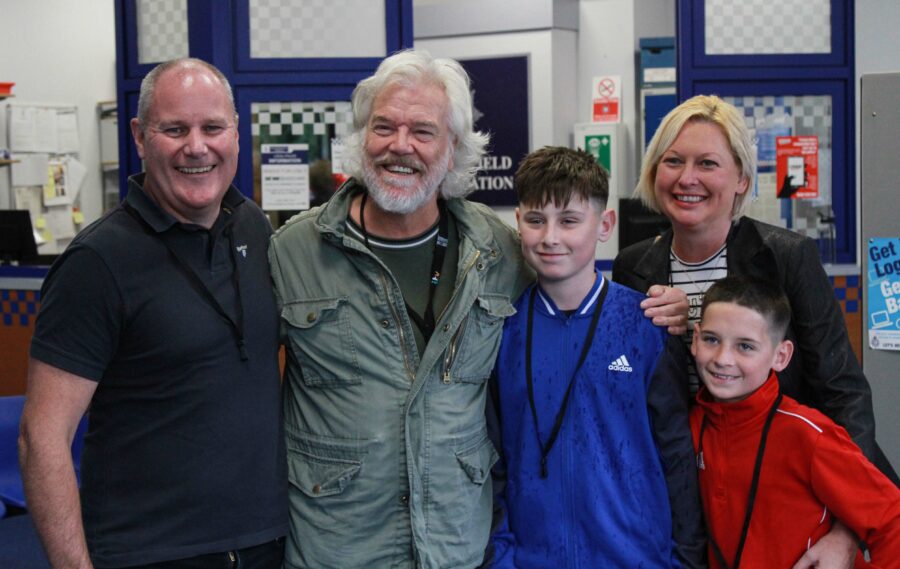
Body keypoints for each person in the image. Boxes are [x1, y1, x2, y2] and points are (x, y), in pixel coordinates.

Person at [268, 49, 533, 569]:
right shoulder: (292, 252)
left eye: (422, 131)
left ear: (452, 146)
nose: (400, 146)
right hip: (335, 550)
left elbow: (568, 318)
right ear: (362, 136)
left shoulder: (499, 251)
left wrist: (663, 302)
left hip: (455, 548)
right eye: (383, 127)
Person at [19, 58, 287, 568]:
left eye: (213, 127)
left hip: (268, 545)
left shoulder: (254, 227)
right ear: (141, 137)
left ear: (236, 132)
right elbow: (42, 438)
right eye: (175, 129)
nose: (197, 146)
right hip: (147, 554)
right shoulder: (97, 263)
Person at [612, 94, 897, 568]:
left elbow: (843, 392)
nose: (688, 178)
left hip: (780, 501)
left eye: (708, 163)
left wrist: (848, 530)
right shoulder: (633, 267)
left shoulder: (786, 257)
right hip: (683, 496)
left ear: (742, 178)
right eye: (673, 161)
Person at [489, 146, 705, 568]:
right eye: (536, 220)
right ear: (518, 223)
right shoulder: (501, 331)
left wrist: (686, 561)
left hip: (637, 558)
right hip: (531, 559)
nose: (550, 236)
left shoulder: (646, 327)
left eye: (569, 220)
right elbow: (491, 459)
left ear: (604, 225)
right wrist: (500, 555)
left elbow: (677, 455)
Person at [690, 275, 900, 568]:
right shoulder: (690, 425)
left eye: (745, 346)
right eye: (712, 340)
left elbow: (892, 517)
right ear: (695, 339)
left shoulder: (809, 434)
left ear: (781, 355)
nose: (723, 358)